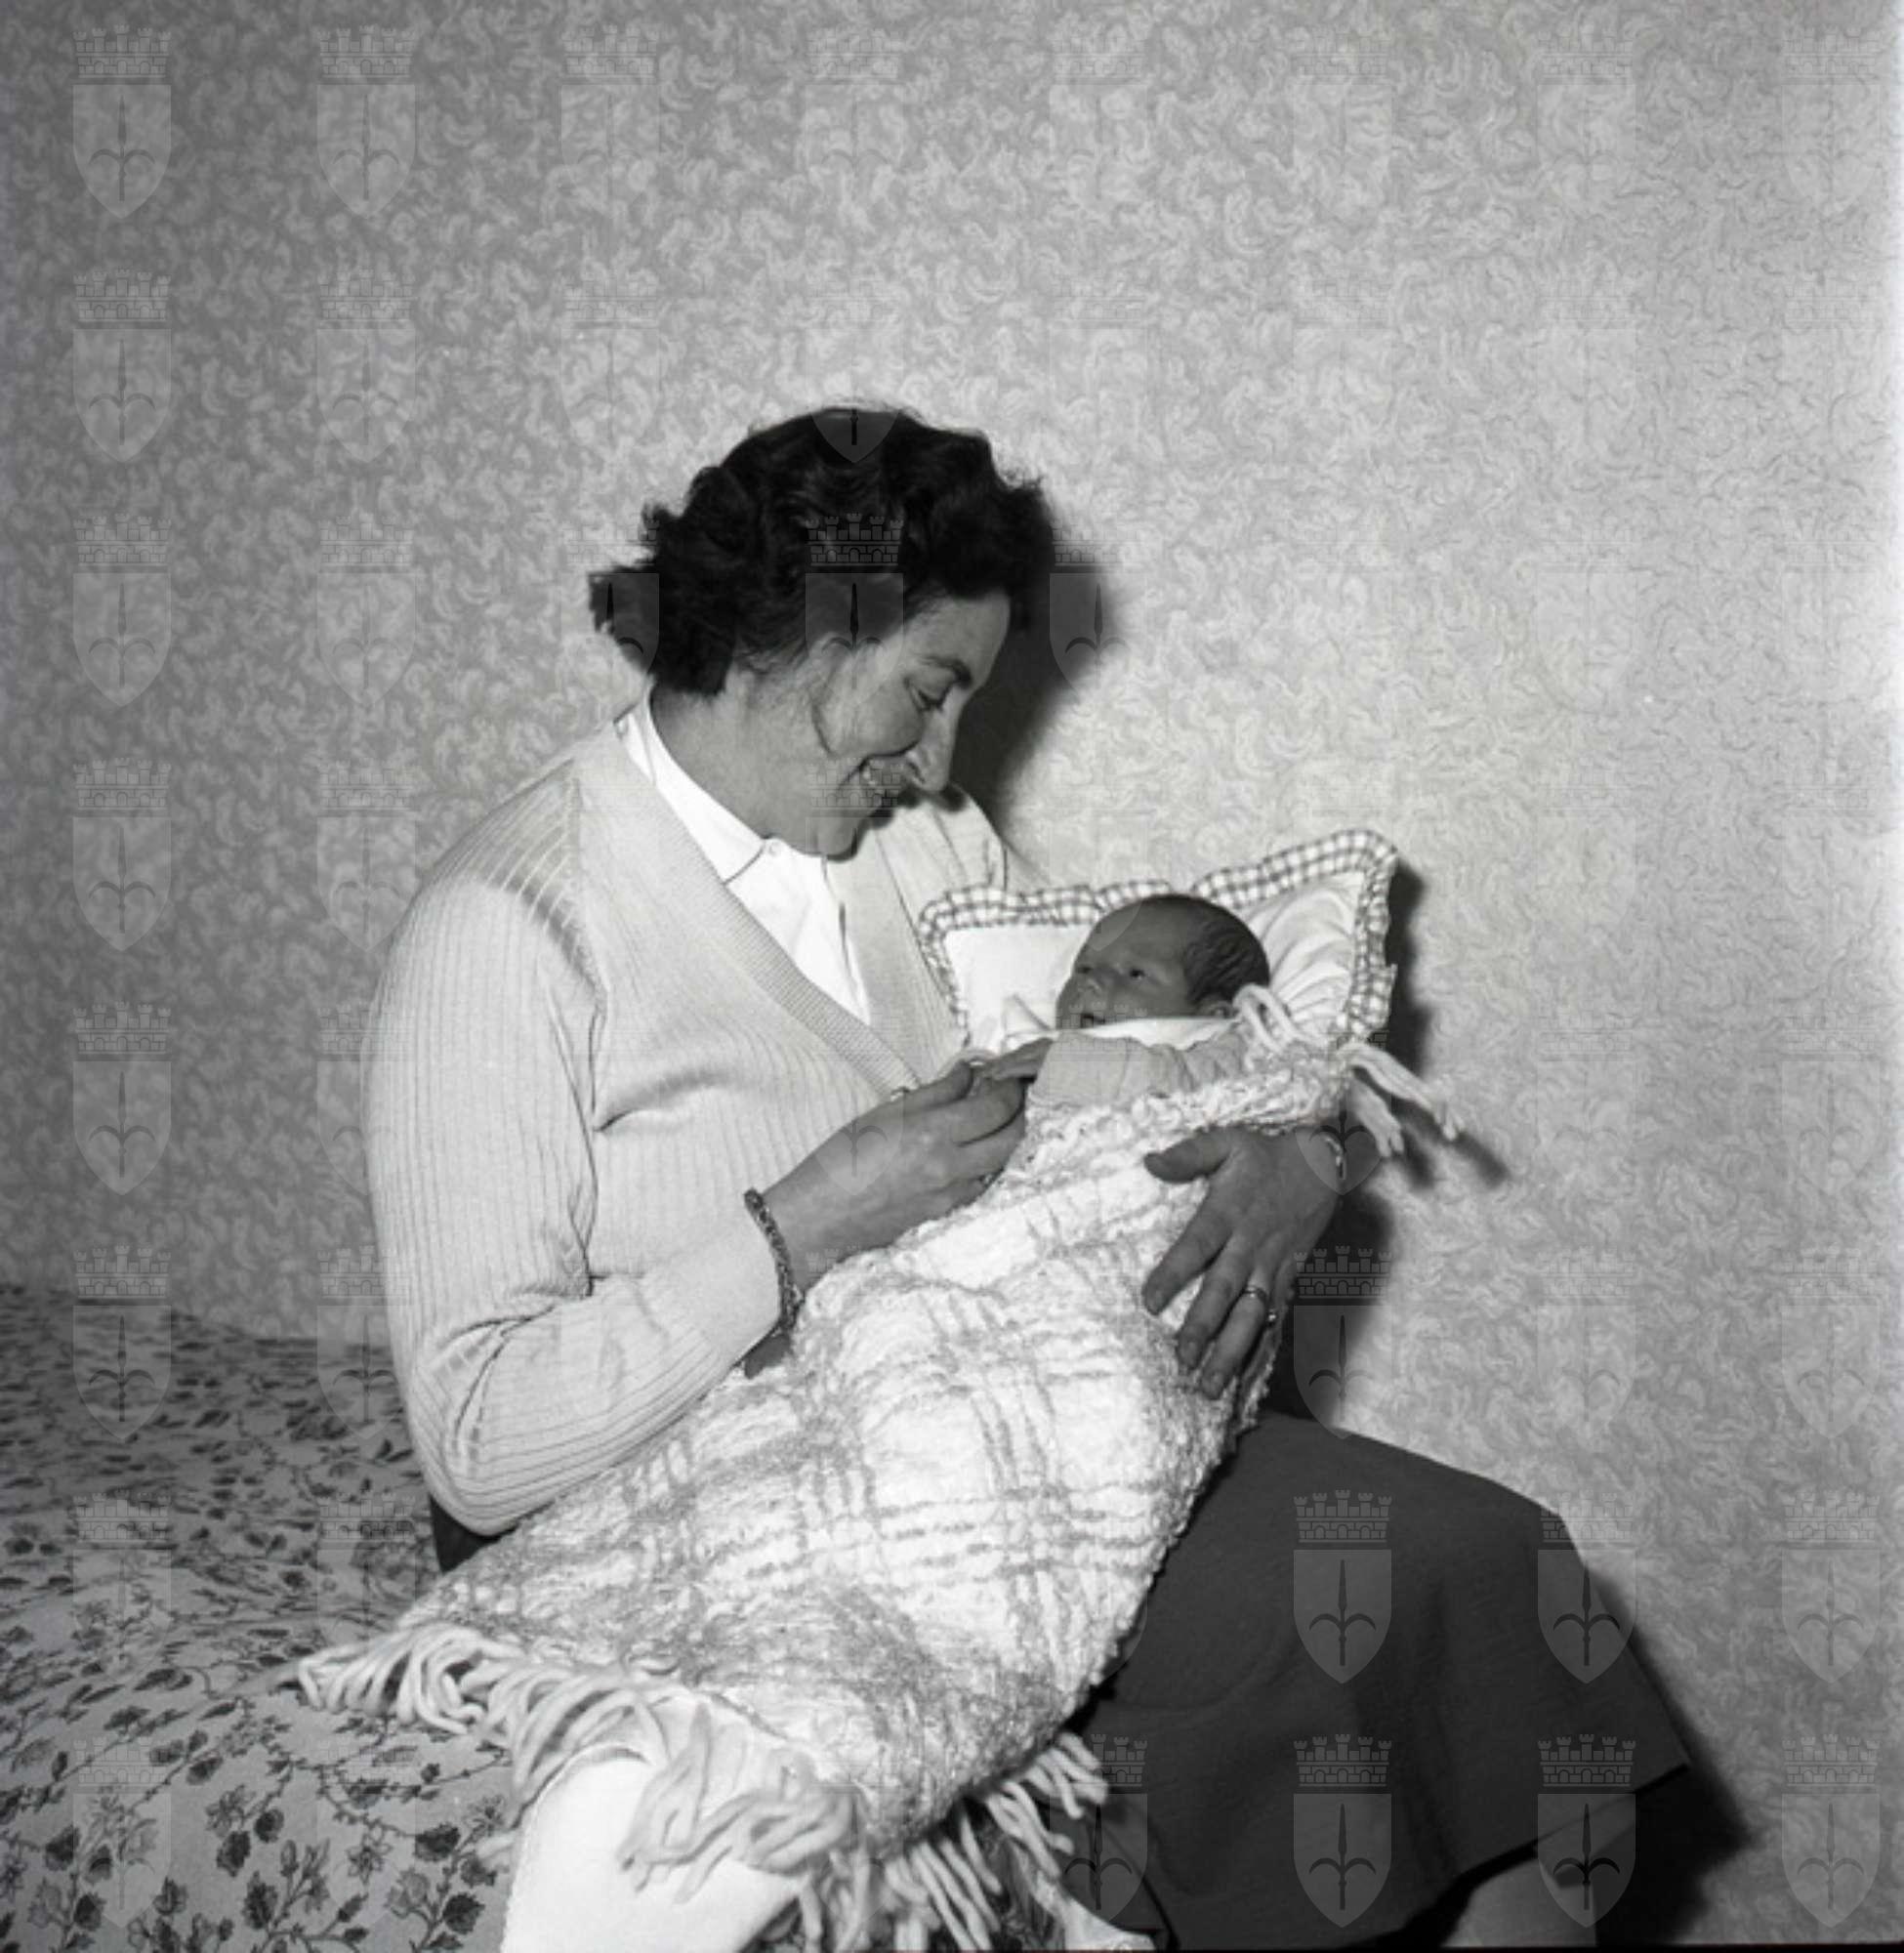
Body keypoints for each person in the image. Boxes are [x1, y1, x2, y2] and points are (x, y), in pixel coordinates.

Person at [364, 405, 1689, 1948]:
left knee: (1490, 1567)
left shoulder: (916, 849)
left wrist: (1301, 1155)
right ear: (797, 634)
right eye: (928, 693)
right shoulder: (511, 926)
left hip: (970, 1416)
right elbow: (478, 1447)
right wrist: (803, 1225)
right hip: (709, 1484)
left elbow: (1143, 1064)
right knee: (1316, 1631)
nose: (941, 764)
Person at [973, 893, 1274, 1105]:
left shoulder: (1218, 1053)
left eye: (1135, 974)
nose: (1090, 982)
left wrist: (1072, 1064)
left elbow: (1185, 1084)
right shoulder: (1029, 1038)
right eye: (1084, 968)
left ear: (1212, 1015)